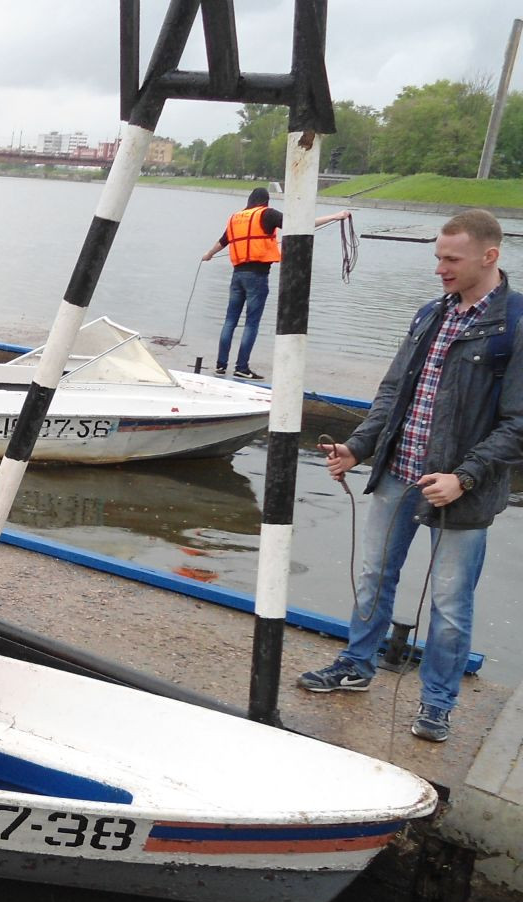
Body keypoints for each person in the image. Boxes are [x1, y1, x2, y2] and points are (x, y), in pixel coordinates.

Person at [298, 208, 523, 743]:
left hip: (461, 491)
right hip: (399, 473)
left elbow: (519, 423)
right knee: (375, 576)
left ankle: (438, 703)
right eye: (437, 257)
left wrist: (464, 478)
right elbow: (393, 392)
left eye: (451, 259)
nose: (440, 269)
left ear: (489, 256)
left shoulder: (514, 325)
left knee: (449, 601)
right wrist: (358, 447)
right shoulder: (430, 313)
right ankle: (356, 664)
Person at [202, 187, 350, 380]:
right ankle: (242, 367)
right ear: (266, 201)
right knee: (251, 323)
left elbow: (222, 242)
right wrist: (335, 216)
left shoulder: (236, 218)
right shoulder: (267, 214)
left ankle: (221, 366)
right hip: (257, 277)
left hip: (237, 275)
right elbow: (300, 224)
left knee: (230, 321)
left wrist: (208, 255)